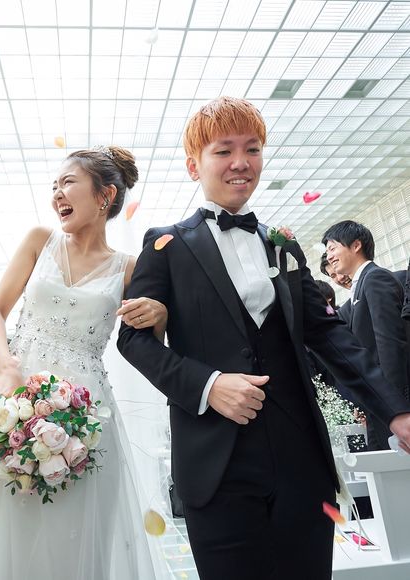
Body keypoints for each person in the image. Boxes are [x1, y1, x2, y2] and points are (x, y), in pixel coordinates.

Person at [117, 96, 410, 580]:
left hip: (301, 459)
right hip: (216, 463)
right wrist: (209, 385)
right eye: (223, 151)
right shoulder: (165, 245)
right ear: (193, 165)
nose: (241, 162)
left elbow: (329, 335)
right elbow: (134, 342)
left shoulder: (283, 244)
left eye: (252, 149)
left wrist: (394, 410)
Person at [0, 146, 167, 580]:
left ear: (105, 196)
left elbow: (147, 345)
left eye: (68, 183)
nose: (57, 195)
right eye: (54, 187)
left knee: (74, 533)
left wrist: (160, 315)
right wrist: (7, 367)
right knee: (6, 524)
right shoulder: (39, 241)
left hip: (89, 418)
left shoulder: (129, 268)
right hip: (17, 402)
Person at [323, 220, 410, 450]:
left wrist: (395, 406)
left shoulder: (375, 278)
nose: (329, 256)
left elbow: (390, 343)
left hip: (393, 405)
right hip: (379, 404)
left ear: (356, 245)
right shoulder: (358, 287)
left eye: (332, 248)